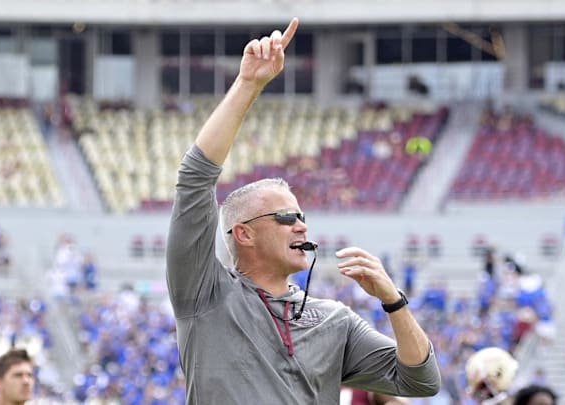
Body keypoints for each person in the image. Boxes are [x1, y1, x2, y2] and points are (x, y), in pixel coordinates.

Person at [166, 17, 440, 404]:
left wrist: (392, 300)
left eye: (302, 217)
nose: (300, 226)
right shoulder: (205, 294)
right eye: (284, 217)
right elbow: (195, 178)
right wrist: (248, 84)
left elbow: (421, 382)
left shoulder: (335, 320)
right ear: (243, 233)